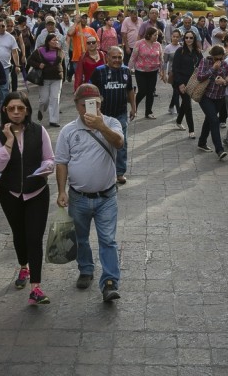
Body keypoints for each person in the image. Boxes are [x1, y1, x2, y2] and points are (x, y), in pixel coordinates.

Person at [55, 84, 124, 302]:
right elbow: (62, 163)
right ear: (76, 106)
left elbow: (119, 143)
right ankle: (86, 269)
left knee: (108, 240)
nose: (89, 109)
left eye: (93, 104)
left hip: (106, 197)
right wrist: (61, 191)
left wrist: (102, 126)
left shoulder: (111, 123)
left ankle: (110, 282)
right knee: (81, 238)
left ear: (100, 103)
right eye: (84, 105)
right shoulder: (68, 130)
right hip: (79, 197)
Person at [0, 92, 55, 305]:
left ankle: (36, 287)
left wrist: (46, 168)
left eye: (21, 108)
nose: (16, 113)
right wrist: (9, 141)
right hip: (10, 194)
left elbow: (49, 158)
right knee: (19, 233)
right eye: (12, 109)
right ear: (5, 111)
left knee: (34, 238)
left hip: (37, 192)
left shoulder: (39, 131)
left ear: (27, 110)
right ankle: (23, 267)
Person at [90, 47, 137, 185]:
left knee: (122, 143)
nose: (117, 60)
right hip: (102, 115)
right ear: (107, 58)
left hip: (120, 114)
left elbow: (129, 90)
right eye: (114, 57)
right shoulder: (99, 72)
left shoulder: (126, 71)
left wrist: (133, 108)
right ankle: (100, 171)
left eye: (120, 57)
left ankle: (120, 173)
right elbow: (90, 90)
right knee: (100, 143)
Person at [195, 45, 228, 159]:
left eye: (221, 58)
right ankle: (219, 150)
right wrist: (213, 69)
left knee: (209, 119)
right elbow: (200, 76)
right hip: (205, 96)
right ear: (212, 56)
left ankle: (202, 142)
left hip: (219, 97)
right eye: (216, 58)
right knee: (214, 121)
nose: (219, 61)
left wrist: (225, 81)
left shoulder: (225, 63)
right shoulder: (205, 61)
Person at [28, 33, 65, 127]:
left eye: (57, 40)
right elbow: (30, 60)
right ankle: (41, 109)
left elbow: (63, 65)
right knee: (44, 100)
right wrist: (38, 65)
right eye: (53, 40)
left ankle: (54, 120)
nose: (56, 42)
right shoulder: (40, 50)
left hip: (57, 78)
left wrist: (64, 76)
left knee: (55, 98)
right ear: (48, 42)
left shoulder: (60, 51)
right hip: (44, 78)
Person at [172, 31, 204, 138]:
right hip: (181, 81)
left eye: (191, 38)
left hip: (193, 82)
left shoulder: (198, 52)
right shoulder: (180, 51)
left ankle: (178, 120)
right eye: (186, 37)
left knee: (185, 104)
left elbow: (202, 66)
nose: (188, 40)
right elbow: (175, 69)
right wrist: (180, 84)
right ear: (184, 39)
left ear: (194, 39)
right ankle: (191, 130)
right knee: (187, 104)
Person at [128, 26, 163, 119]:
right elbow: (133, 57)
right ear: (149, 35)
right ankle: (134, 108)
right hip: (140, 71)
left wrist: (162, 71)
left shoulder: (158, 45)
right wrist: (128, 70)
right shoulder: (139, 43)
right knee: (143, 91)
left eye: (157, 35)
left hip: (153, 71)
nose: (156, 37)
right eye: (155, 35)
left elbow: (161, 59)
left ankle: (148, 112)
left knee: (150, 92)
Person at [161, 29, 181, 115]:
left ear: (180, 38)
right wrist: (164, 74)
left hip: (181, 72)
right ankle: (178, 109)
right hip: (172, 72)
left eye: (177, 37)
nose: (175, 38)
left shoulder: (182, 47)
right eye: (174, 36)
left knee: (177, 91)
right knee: (176, 90)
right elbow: (165, 62)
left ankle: (171, 107)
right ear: (171, 37)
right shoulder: (168, 48)